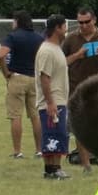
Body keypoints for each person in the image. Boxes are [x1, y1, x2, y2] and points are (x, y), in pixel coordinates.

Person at [0, 11, 44, 159]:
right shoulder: (38, 38)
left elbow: (1, 55)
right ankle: (39, 150)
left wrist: (6, 72)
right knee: (35, 116)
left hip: (17, 77)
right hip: (34, 79)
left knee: (16, 116)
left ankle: (18, 151)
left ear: (17, 21)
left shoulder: (13, 36)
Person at [36, 15, 71, 180]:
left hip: (60, 100)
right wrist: (50, 102)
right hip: (53, 101)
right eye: (64, 26)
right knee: (54, 134)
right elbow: (44, 77)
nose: (66, 29)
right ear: (57, 28)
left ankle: (52, 168)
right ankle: (53, 168)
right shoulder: (47, 50)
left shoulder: (57, 48)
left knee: (59, 133)